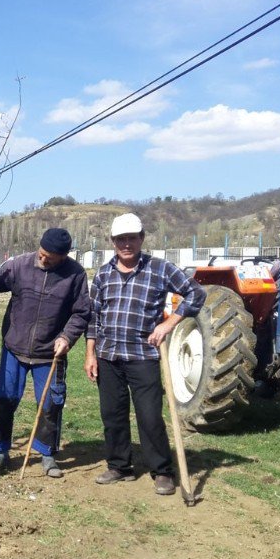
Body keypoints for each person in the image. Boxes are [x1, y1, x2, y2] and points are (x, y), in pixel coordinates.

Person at [84, 213, 206, 496]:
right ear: (113, 242)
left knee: (150, 416)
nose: (126, 244)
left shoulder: (160, 269)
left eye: (132, 238)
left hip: (143, 355)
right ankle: (119, 466)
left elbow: (195, 294)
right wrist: (90, 354)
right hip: (108, 355)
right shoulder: (103, 274)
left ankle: (162, 471)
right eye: (121, 239)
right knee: (112, 415)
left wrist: (168, 323)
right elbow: (93, 317)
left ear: (141, 239)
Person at [0, 227, 91, 478]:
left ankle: (47, 454)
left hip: (50, 353)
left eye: (50, 257)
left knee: (50, 404)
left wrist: (67, 337)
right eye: (42, 253)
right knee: (5, 399)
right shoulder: (20, 265)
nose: (43, 259)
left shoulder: (75, 275)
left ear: (64, 257)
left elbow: (81, 313)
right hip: (15, 348)